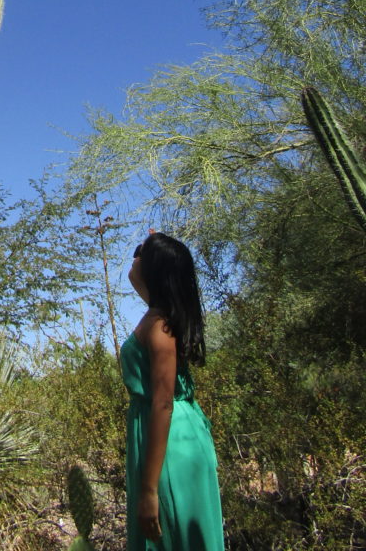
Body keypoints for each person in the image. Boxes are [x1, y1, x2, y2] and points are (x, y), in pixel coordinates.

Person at [121, 232, 224, 550]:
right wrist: (154, 253)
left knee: (170, 531)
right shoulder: (159, 317)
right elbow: (141, 282)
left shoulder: (160, 330)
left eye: (140, 253)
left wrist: (149, 490)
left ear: (153, 271)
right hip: (165, 430)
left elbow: (163, 404)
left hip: (170, 438)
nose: (134, 258)